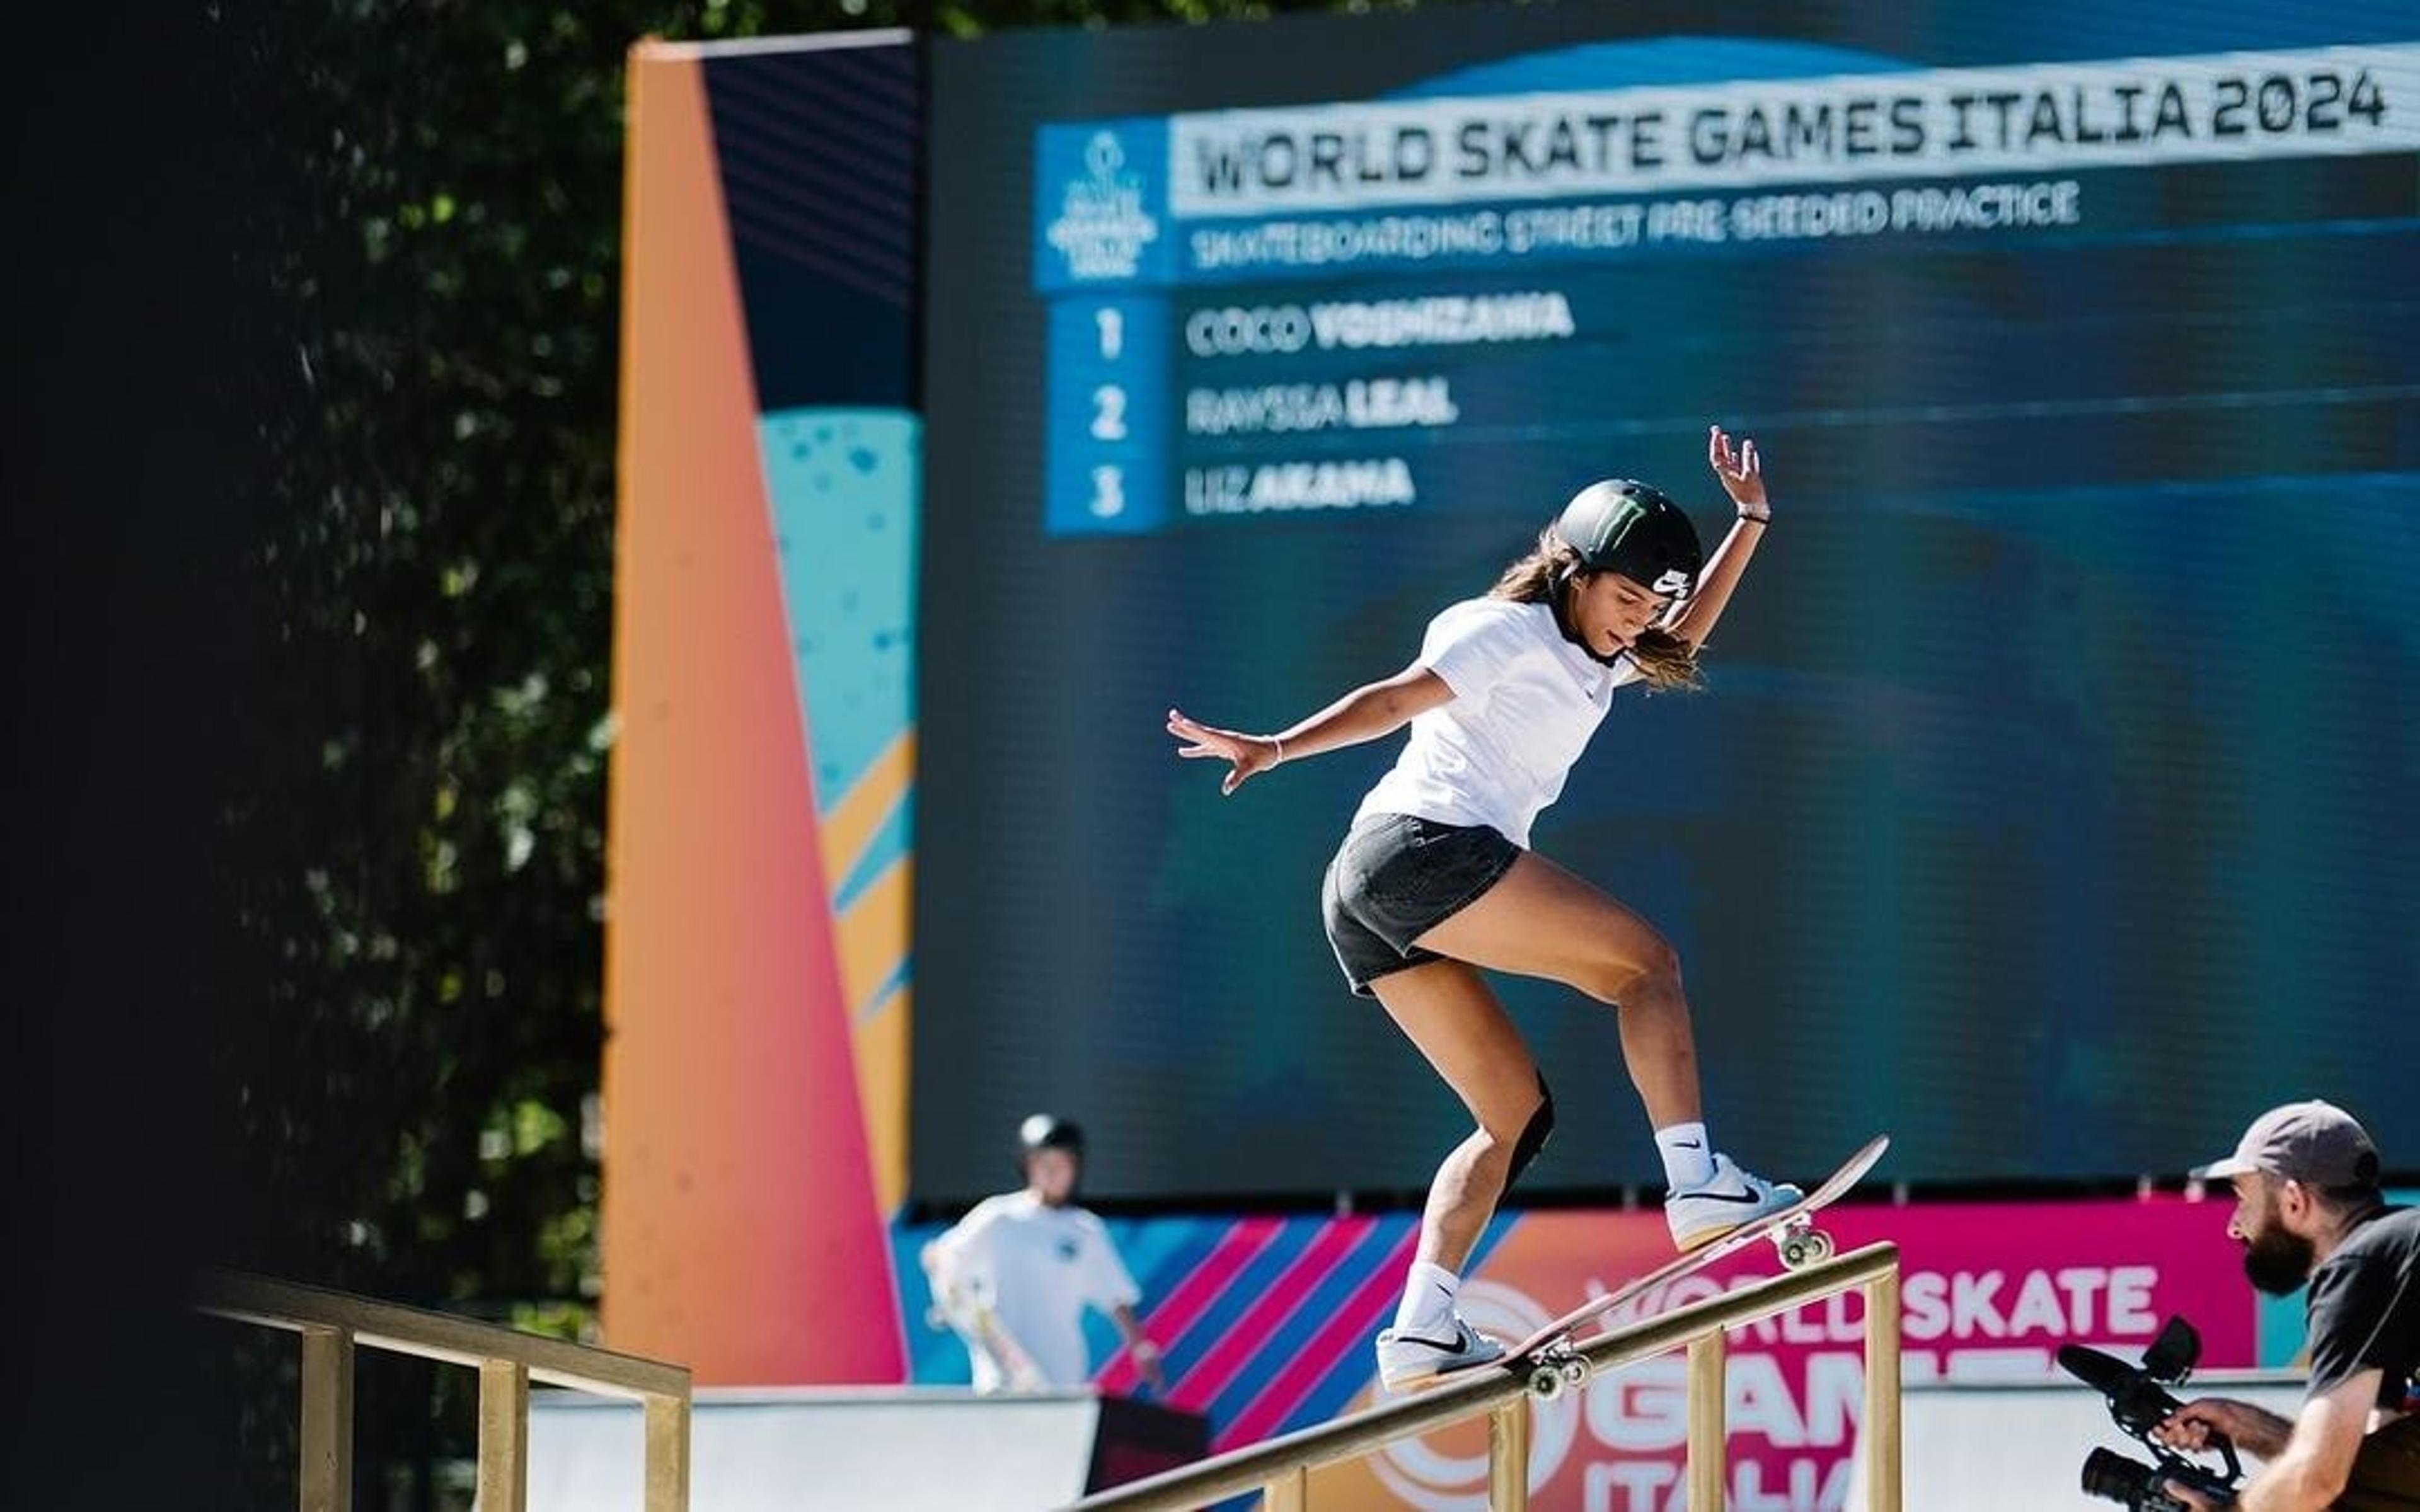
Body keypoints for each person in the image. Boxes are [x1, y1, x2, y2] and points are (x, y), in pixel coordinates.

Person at [1167, 425, 1803, 1391]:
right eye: (1625, 600)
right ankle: (1697, 1184)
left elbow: (1688, 626)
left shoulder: (1601, 653)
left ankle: (1421, 1328)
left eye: (1647, 608)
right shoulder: (1503, 627)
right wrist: (1277, 746)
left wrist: (1750, 520)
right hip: (1423, 849)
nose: (1637, 624)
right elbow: (1393, 700)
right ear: (1575, 574)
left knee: (1512, 1117)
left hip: (1369, 893)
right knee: (1648, 967)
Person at [2155, 1100, 2419, 1510]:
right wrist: (2249, 1428)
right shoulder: (2396, 1257)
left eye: (2244, 1199)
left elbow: (2319, 1480)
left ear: (2294, 1200)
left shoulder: (2360, 1266)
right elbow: (2365, 1472)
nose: (2234, 1225)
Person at [921, 1114, 1167, 1396]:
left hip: (1060, 1375)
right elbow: (940, 1256)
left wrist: (1139, 1345)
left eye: (1060, 1164)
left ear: (1075, 1168)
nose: (1051, 1173)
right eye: (1043, 1163)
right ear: (1028, 1165)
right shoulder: (998, 1217)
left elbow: (1115, 1297)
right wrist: (944, 1271)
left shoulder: (1086, 1230)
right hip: (1002, 1376)